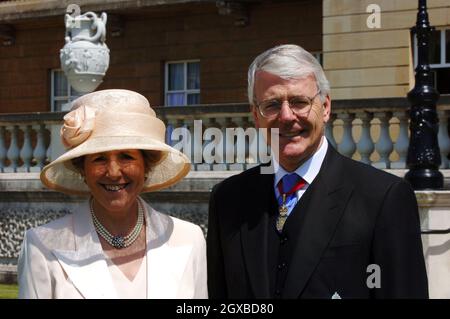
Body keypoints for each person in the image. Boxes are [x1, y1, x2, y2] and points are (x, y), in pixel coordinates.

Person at [207, 44, 428, 299]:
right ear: (255, 116)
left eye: (300, 102)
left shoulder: (383, 198)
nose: (286, 116)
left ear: (325, 108)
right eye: (272, 105)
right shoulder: (227, 200)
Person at [18, 89, 207, 299]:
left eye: (127, 156)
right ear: (83, 169)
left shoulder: (189, 238)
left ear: (146, 165)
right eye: (99, 158)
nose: (114, 172)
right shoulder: (42, 245)